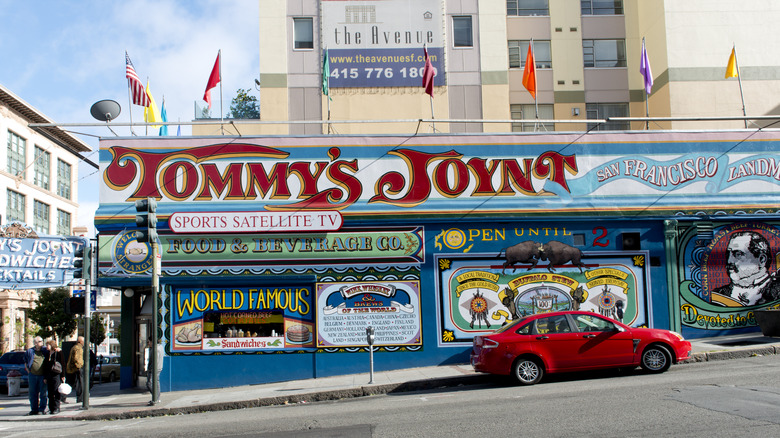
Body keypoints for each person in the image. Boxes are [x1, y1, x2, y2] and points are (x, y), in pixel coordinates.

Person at [713, 231, 780, 306]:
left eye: (738, 254)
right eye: (728, 254)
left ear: (761, 259)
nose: (729, 261)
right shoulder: (719, 294)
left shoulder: (777, 291)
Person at [24, 336, 49, 415]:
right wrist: (28, 370)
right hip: (33, 375)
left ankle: (42, 409)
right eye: (38, 342)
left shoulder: (45, 351)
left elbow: (53, 352)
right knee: (33, 393)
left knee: (43, 393)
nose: (39, 343)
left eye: (40, 341)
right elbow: (26, 361)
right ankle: (34, 409)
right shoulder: (30, 351)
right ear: (35, 343)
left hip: (42, 375)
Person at [43, 339, 65, 415]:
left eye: (47, 345)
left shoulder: (58, 353)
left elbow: (62, 364)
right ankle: (51, 408)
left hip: (56, 375)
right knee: (50, 393)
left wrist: (63, 375)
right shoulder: (47, 353)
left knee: (56, 391)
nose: (46, 346)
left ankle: (56, 407)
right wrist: (45, 377)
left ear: (51, 345)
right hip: (49, 375)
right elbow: (45, 366)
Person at [66, 336, 85, 403]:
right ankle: (80, 398)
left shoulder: (75, 347)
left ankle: (63, 397)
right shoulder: (78, 348)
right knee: (79, 384)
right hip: (77, 368)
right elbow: (76, 358)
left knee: (73, 383)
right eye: (83, 341)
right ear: (80, 341)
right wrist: (79, 366)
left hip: (73, 368)